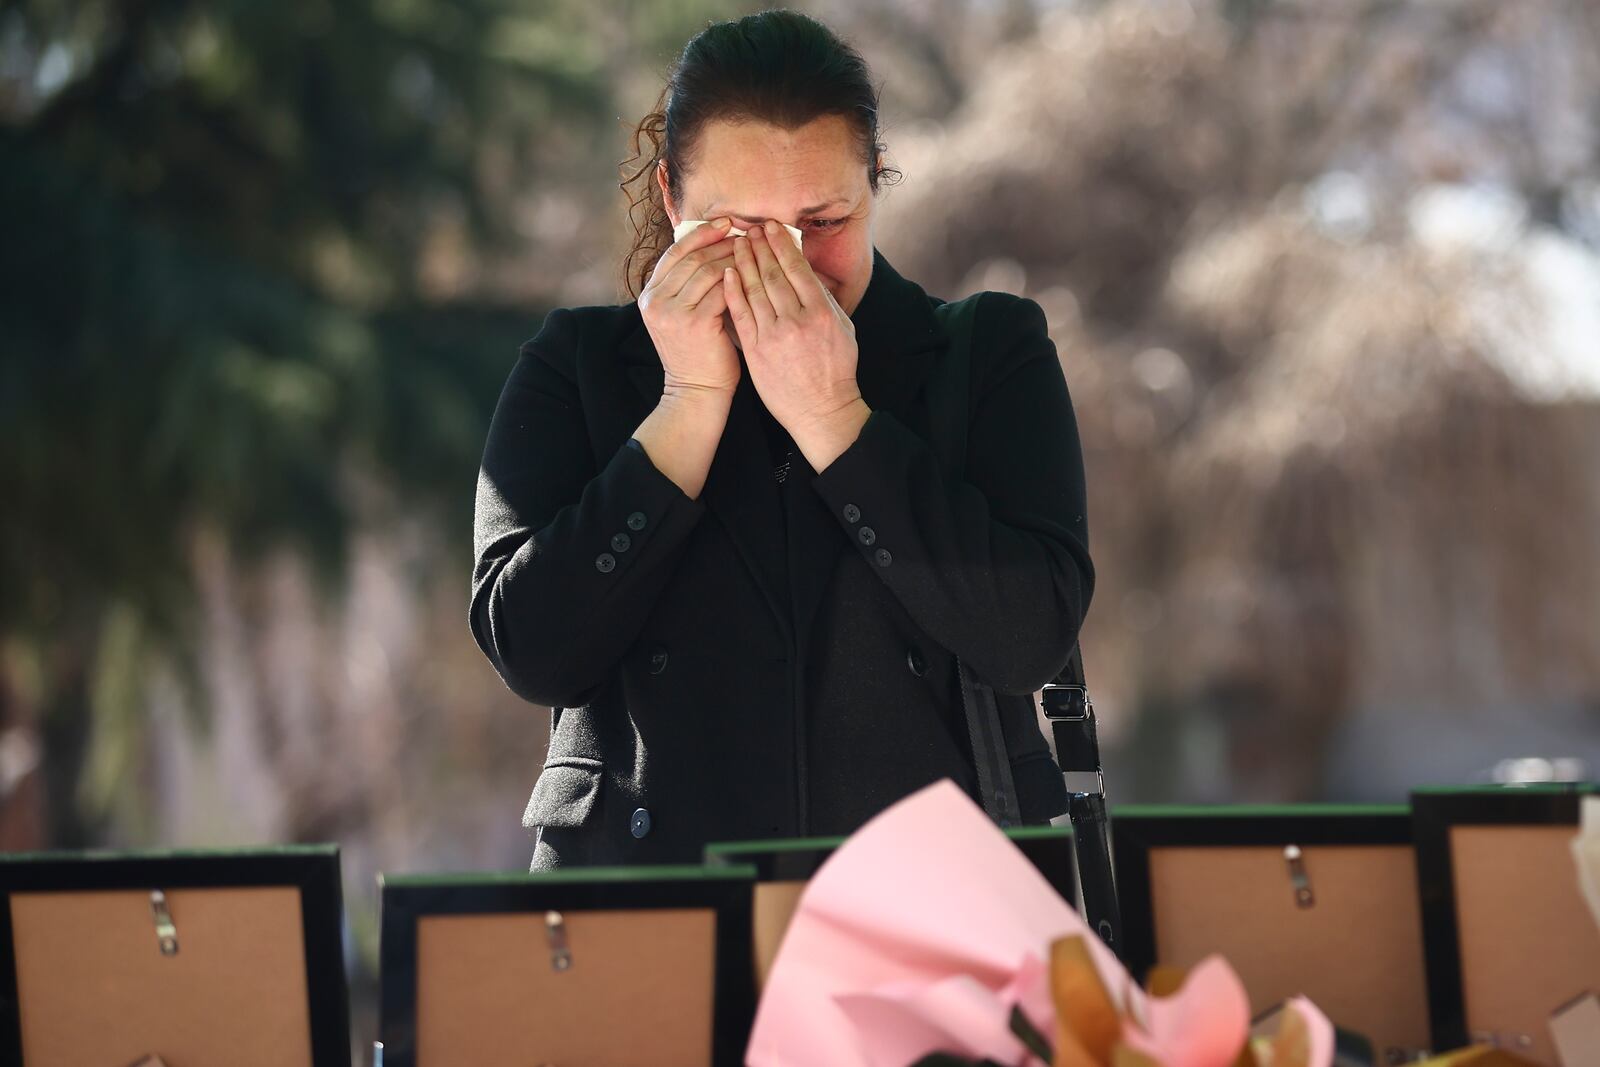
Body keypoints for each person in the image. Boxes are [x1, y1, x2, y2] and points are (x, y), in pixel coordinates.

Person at [470, 9, 1095, 871]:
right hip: (650, 917)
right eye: (742, 230)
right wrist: (686, 404)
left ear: (875, 181)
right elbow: (532, 650)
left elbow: (1031, 636)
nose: (789, 266)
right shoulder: (580, 366)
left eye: (824, 220)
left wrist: (838, 421)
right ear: (670, 199)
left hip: (932, 916)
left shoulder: (987, 353)